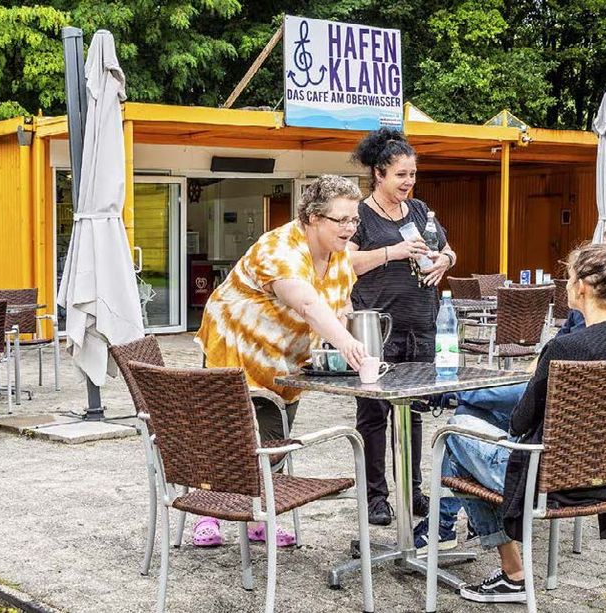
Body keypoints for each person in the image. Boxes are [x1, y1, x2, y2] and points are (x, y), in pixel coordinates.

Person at [413, 222, 606, 552]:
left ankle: (508, 566)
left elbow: (520, 422)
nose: (565, 286)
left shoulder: (565, 348)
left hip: (545, 482)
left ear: (582, 288)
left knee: (455, 432)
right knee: (467, 424)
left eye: (569, 279)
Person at [193, 175, 367, 547]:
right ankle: (209, 513)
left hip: (285, 359)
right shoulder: (279, 248)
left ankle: (260, 517)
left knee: (274, 439)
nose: (350, 227)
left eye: (354, 219)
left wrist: (352, 342)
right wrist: (347, 344)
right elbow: (307, 303)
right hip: (236, 347)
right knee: (226, 436)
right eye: (342, 219)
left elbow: (341, 305)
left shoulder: (337, 255)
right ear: (314, 217)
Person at [347, 128, 458, 525]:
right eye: (401, 175)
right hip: (376, 330)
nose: (409, 182)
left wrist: (446, 260)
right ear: (379, 174)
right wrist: (392, 252)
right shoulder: (359, 215)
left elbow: (447, 249)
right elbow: (345, 263)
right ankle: (376, 497)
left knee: (412, 414)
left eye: (412, 174)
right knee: (374, 416)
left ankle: (411, 491)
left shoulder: (419, 210)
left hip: (421, 327)